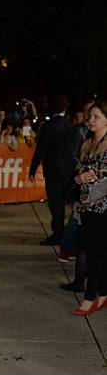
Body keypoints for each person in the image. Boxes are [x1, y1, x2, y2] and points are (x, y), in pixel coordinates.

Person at [71, 101, 107, 315]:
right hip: (86, 206)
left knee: (95, 253)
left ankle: (90, 296)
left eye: (96, 116)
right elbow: (75, 176)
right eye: (90, 116)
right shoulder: (87, 143)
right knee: (92, 250)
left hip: (103, 207)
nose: (91, 120)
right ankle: (102, 292)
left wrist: (93, 179)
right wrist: (79, 178)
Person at [29, 96, 75, 245]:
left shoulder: (48, 126)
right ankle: (64, 234)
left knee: (56, 204)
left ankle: (58, 235)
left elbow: (40, 149)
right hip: (68, 172)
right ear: (65, 109)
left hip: (53, 172)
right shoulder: (70, 126)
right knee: (64, 204)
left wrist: (33, 168)